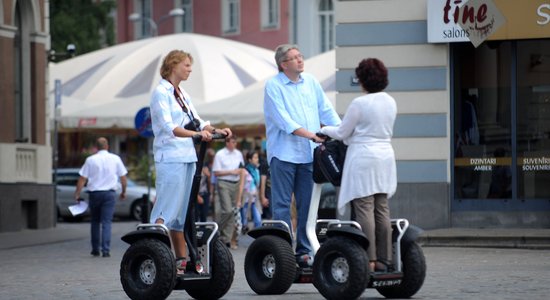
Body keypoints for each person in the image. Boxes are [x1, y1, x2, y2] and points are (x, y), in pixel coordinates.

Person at [149, 49, 231, 274]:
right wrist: (195, 135)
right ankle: (155, 253)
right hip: (170, 156)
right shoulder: (160, 93)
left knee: (182, 211)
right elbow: (168, 127)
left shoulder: (182, 94)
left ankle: (180, 261)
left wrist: (217, 130)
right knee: (167, 206)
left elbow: (197, 121)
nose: (190, 69)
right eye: (186, 65)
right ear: (173, 65)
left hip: (187, 156)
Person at [264, 44, 341, 266]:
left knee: (308, 205)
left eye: (300, 56)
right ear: (283, 64)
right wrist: (312, 135)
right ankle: (283, 252)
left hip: (309, 155)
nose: (300, 60)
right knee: (282, 205)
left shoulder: (311, 82)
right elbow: (283, 120)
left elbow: (326, 110)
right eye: (294, 57)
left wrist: (343, 131)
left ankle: (304, 252)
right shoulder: (273, 86)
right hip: (283, 155)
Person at [320, 57, 397, 272]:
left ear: (363, 80)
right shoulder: (390, 101)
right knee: (381, 207)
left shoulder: (359, 103)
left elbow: (342, 132)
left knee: (364, 207)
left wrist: (324, 129)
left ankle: (369, 259)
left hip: (363, 157)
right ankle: (385, 259)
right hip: (385, 157)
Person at [74, 137, 128, 258]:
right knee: (106, 222)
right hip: (109, 194)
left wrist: (77, 193)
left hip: (94, 194)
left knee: (94, 222)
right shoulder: (115, 159)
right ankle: (106, 250)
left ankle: (95, 249)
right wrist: (124, 191)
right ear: (107, 146)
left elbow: (82, 178)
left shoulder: (90, 160)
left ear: (96, 147)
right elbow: (123, 178)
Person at [212, 136, 244, 249]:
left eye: (235, 142)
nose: (234, 144)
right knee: (227, 210)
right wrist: (231, 171)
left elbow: (242, 169)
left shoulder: (238, 154)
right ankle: (215, 229)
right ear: (227, 143)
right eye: (233, 142)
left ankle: (226, 239)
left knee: (232, 212)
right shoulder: (220, 154)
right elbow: (216, 173)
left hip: (235, 183)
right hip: (223, 183)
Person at [237, 151, 262, 234]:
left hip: (255, 198)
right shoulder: (244, 171)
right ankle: (244, 229)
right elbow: (241, 185)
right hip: (246, 198)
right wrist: (239, 200)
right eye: (255, 158)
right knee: (244, 219)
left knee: (258, 218)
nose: (257, 159)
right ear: (249, 160)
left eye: (257, 157)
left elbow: (258, 185)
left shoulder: (257, 171)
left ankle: (258, 233)